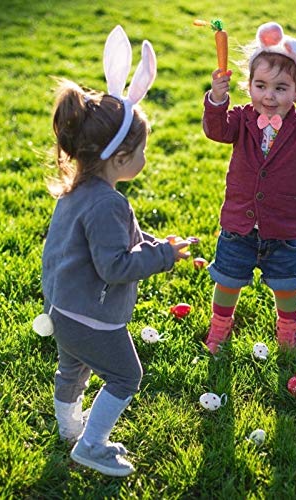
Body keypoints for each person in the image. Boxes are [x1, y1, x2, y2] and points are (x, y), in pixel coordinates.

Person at [40, 26, 189, 477]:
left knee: (73, 369)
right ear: (120, 157)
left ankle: (70, 428)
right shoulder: (108, 203)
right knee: (126, 376)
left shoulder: (79, 190)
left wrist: (156, 245)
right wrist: (163, 256)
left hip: (64, 308)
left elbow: (104, 249)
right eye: (142, 150)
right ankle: (91, 445)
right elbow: (115, 266)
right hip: (92, 316)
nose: (145, 158)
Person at [202, 22, 296, 354]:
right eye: (261, 85)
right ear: (249, 86)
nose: (269, 96)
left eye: (281, 88)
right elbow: (215, 130)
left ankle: (287, 331)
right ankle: (219, 329)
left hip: (283, 229)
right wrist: (217, 98)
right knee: (226, 282)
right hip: (238, 225)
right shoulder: (241, 118)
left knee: (287, 287)